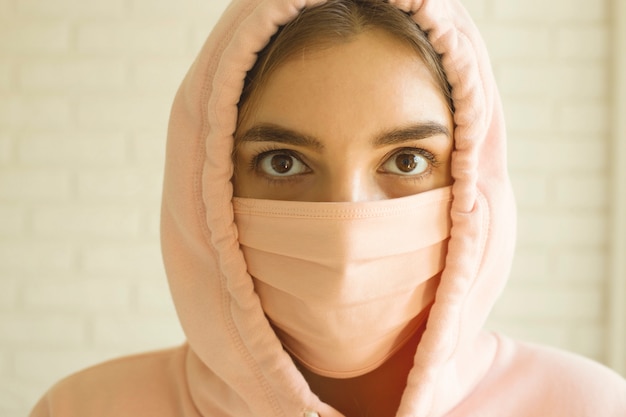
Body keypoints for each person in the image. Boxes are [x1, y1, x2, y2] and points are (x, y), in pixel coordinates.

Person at [29, 0, 626, 416]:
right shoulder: (82, 409)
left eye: (408, 160)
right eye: (283, 162)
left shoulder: (592, 407)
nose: (347, 228)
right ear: (205, 187)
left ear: (473, 176)